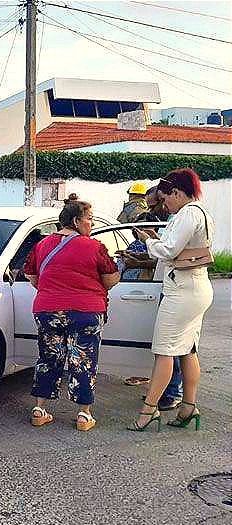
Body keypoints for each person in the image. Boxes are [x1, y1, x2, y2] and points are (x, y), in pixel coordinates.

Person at [24, 194, 121, 431]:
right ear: (76, 221)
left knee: (49, 358)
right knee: (83, 360)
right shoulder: (95, 247)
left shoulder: (41, 245)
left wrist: (53, 290)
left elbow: (32, 276)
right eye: (89, 218)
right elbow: (110, 279)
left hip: (47, 310)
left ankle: (39, 410)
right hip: (85, 312)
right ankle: (83, 415)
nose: (92, 223)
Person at [128, 168, 215, 432]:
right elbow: (178, 247)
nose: (164, 205)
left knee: (164, 352)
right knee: (188, 350)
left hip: (182, 291)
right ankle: (188, 406)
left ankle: (149, 410)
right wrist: (158, 241)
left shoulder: (187, 213)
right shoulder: (201, 212)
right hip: (196, 288)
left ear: (176, 193)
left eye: (166, 199)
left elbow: (169, 250)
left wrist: (148, 241)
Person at [121, 186, 184, 410]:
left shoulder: (179, 224)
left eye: (156, 203)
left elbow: (167, 257)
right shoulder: (172, 224)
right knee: (167, 348)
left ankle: (172, 393)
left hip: (176, 292)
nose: (156, 208)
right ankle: (163, 393)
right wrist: (139, 256)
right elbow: (162, 256)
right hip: (170, 290)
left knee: (170, 348)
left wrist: (147, 244)